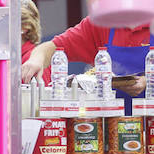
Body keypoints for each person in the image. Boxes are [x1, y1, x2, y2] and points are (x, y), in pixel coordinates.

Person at [21, 13, 151, 113]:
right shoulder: (102, 22)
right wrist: (35, 59)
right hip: (111, 130)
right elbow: (52, 47)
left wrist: (147, 81)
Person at [20, 0, 51, 85]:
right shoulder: (17, 59)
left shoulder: (32, 60)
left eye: (7, 22)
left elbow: (41, 97)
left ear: (24, 27)